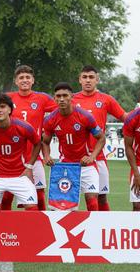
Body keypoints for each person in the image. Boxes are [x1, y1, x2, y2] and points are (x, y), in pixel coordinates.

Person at [42, 82, 105, 211]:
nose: (61, 99)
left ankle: (93, 230)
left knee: (92, 202)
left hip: (86, 166)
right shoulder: (50, 119)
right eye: (58, 96)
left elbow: (101, 138)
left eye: (65, 95)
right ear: (54, 98)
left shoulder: (85, 116)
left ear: (71, 97)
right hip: (66, 166)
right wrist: (47, 155)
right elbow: (45, 142)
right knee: (62, 207)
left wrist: (92, 157)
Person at [73, 65, 127, 211]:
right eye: (84, 77)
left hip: (98, 157)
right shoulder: (71, 99)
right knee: (71, 197)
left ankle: (103, 228)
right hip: (74, 158)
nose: (88, 80)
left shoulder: (106, 99)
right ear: (80, 80)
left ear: (97, 80)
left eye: (91, 77)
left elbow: (125, 117)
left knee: (101, 196)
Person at [3, 65, 57, 210]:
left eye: (27, 77)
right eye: (21, 78)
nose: (24, 80)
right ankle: (2, 228)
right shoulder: (8, 98)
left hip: (34, 155)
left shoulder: (42, 98)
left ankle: (43, 228)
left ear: (33, 80)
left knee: (39, 194)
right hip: (11, 157)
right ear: (16, 81)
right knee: (7, 196)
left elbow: (62, 108)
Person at [0, 93, 40, 211]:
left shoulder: (24, 127)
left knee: (33, 209)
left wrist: (30, 166)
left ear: (10, 109)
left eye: (2, 107)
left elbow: (38, 143)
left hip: (20, 176)